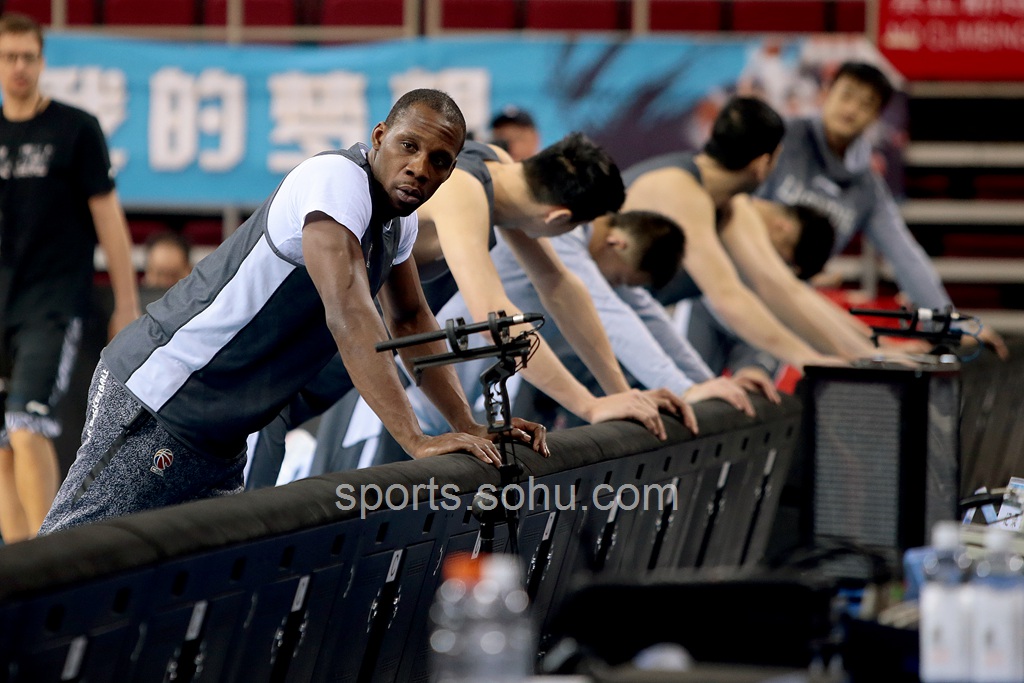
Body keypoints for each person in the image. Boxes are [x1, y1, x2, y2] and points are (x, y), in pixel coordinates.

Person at [40, 88, 549, 534]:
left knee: (185, 599)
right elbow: (349, 313)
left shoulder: (398, 223)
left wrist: (468, 424)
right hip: (160, 398)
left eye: (439, 160)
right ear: (378, 137)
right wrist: (416, 440)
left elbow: (412, 321)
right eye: (408, 146)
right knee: (69, 564)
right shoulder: (335, 179)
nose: (419, 166)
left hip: (221, 434)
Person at [248, 133, 691, 487]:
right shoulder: (462, 190)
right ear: (559, 220)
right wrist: (590, 406)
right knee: (242, 530)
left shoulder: (496, 167)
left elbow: (560, 286)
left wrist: (614, 394)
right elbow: (494, 319)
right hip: (283, 369)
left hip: (347, 370)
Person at [425, 210, 780, 435]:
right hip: (425, 390)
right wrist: (683, 389)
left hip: (470, 405)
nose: (620, 288)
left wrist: (704, 384)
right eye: (623, 280)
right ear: (616, 242)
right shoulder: (558, 237)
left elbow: (648, 316)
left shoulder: (600, 252)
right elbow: (611, 315)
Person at [757, 61, 1009, 359]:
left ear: (876, 116)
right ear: (826, 93)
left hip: (791, 308)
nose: (851, 109)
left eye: (866, 104)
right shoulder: (781, 140)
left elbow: (905, 255)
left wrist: (946, 324)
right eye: (846, 95)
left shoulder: (867, 188)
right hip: (735, 287)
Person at [0, 13, 140, 543]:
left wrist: (126, 304)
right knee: (2, 443)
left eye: (28, 57)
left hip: (52, 302)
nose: (19, 67)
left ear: (41, 61)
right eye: (9, 56)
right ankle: (17, 577)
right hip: (2, 302)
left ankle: (48, 559)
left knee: (26, 424)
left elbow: (111, 222)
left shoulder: (74, 129)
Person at [622, 96, 886, 372]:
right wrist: (806, 358)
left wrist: (873, 352)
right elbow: (728, 297)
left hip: (618, 325)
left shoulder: (730, 204)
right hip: (587, 323)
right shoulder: (681, 190)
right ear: (763, 164)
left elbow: (782, 288)